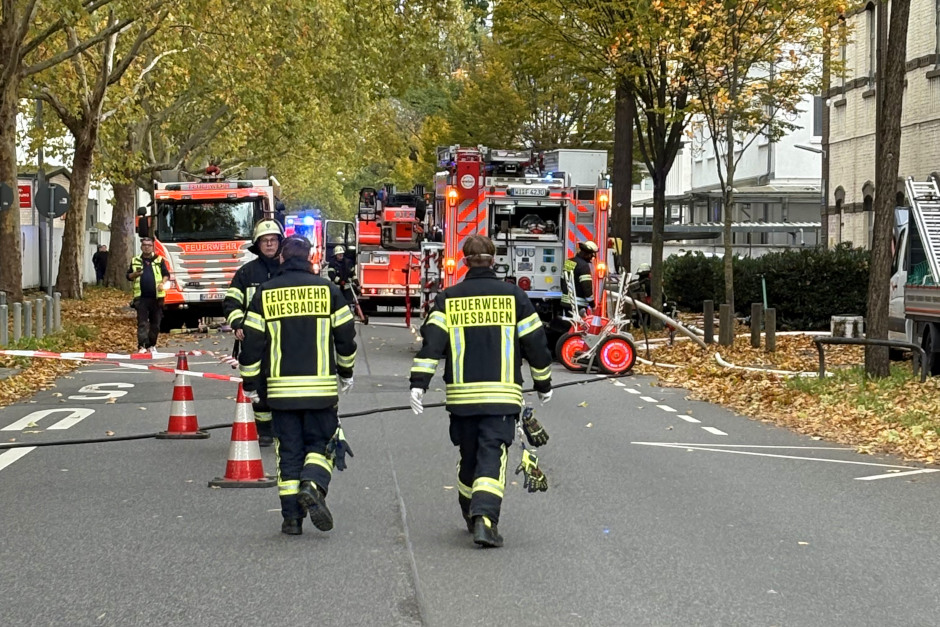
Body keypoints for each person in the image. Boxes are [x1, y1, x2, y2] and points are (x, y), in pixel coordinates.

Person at [409, 235, 553, 548]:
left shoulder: (448, 298)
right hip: (501, 396)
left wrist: (418, 385)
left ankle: (468, 511)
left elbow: (432, 344)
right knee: (492, 456)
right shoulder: (514, 296)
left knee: (469, 457)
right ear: (494, 259)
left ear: (463, 260)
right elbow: (536, 344)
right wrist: (543, 383)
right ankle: (485, 519)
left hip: (462, 398)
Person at [238, 236, 357, 536]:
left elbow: (252, 344)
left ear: (281, 258)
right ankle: (313, 485)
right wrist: (346, 372)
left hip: (280, 392)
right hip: (320, 391)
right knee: (323, 444)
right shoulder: (328, 291)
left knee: (288, 451)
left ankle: (291, 519)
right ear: (311, 258)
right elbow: (346, 335)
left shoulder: (265, 293)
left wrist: (251, 384)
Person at [223, 219, 284, 447]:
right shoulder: (246, 273)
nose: (269, 245)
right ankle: (265, 430)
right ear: (257, 245)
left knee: (283, 384)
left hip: (284, 340)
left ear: (280, 242)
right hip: (255, 340)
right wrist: (238, 323)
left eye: (273, 240)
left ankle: (283, 426)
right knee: (258, 385)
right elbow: (231, 302)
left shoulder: (288, 270)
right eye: (264, 241)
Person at [126, 237, 169, 353]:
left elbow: (166, 274)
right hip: (141, 298)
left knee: (156, 324)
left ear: (152, 247)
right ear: (141, 247)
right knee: (142, 323)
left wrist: (162, 283)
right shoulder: (135, 260)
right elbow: (128, 276)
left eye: (149, 245)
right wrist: (135, 274)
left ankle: (152, 345)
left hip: (157, 297)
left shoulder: (159, 260)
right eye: (144, 245)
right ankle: (142, 346)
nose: (146, 247)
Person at [561, 240, 598, 314]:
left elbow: (562, 280)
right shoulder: (584, 266)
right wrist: (592, 305)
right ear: (588, 254)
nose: (591, 259)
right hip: (578, 305)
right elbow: (587, 287)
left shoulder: (569, 262)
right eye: (592, 256)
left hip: (565, 302)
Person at [326, 245, 359, 310]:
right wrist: (340, 281)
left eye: (341, 254)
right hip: (337, 287)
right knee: (336, 302)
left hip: (347, 286)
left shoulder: (348, 262)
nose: (341, 255)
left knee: (348, 302)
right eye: (339, 254)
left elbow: (353, 274)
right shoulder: (332, 263)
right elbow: (331, 275)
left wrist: (357, 284)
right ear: (336, 255)